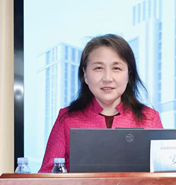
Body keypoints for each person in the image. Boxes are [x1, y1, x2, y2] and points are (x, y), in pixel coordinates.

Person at [39, 34, 163, 172]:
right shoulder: (67, 118)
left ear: (129, 74)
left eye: (116, 68)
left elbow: (166, 176)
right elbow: (47, 175)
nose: (107, 78)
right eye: (98, 68)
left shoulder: (149, 118)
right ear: (85, 74)